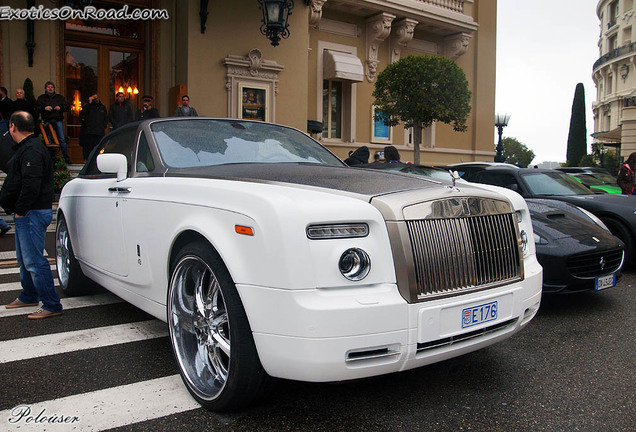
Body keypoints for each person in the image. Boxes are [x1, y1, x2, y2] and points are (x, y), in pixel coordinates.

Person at [1, 111, 61, 319]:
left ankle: (52, 304)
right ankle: (29, 295)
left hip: (32, 212)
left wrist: (20, 209)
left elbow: (30, 184)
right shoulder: (29, 148)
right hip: (29, 211)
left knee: (34, 260)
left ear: (12, 127)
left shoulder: (32, 150)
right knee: (23, 259)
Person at [36, 81, 71, 163]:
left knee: (62, 139)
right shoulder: (41, 98)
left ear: (54, 88)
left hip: (58, 120)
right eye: (48, 87)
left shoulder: (59, 97)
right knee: (47, 140)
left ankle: (66, 158)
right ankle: (47, 159)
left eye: (52, 87)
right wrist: (45, 108)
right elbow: (37, 107)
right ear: (45, 89)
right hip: (47, 121)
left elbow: (66, 107)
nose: (50, 88)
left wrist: (60, 108)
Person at [79, 93, 108, 160]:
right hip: (90, 132)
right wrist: (89, 103)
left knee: (99, 148)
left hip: (99, 132)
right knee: (89, 148)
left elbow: (106, 118)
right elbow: (83, 115)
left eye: (96, 97)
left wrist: (104, 126)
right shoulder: (88, 107)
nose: (96, 99)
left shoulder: (102, 107)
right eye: (94, 98)